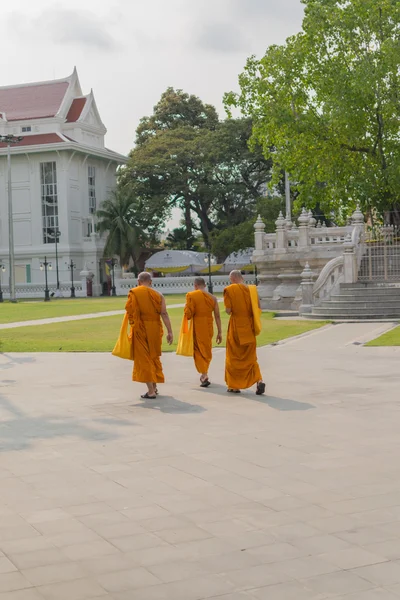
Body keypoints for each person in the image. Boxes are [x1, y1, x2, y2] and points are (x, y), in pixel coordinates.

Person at [125, 272, 173, 399]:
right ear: (150, 282)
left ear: (138, 281)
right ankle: (155, 387)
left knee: (143, 358)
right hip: (155, 328)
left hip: (141, 328)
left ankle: (151, 391)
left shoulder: (134, 293)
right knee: (153, 356)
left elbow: (130, 311)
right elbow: (164, 313)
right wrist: (170, 331)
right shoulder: (159, 295)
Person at [224, 270, 265, 395]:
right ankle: (259, 380)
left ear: (232, 278)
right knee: (251, 357)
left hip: (236, 327)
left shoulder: (229, 289)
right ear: (241, 277)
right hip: (249, 327)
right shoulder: (252, 289)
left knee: (233, 357)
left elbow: (228, 310)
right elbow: (258, 308)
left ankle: (234, 386)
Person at [183, 277, 222, 387]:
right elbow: (218, 316)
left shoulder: (192, 295)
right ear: (204, 285)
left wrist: (186, 307)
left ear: (195, 285)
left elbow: (189, 315)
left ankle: (204, 374)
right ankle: (204, 373)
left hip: (198, 327)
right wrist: (220, 332)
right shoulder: (213, 298)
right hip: (209, 326)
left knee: (199, 351)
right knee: (206, 350)